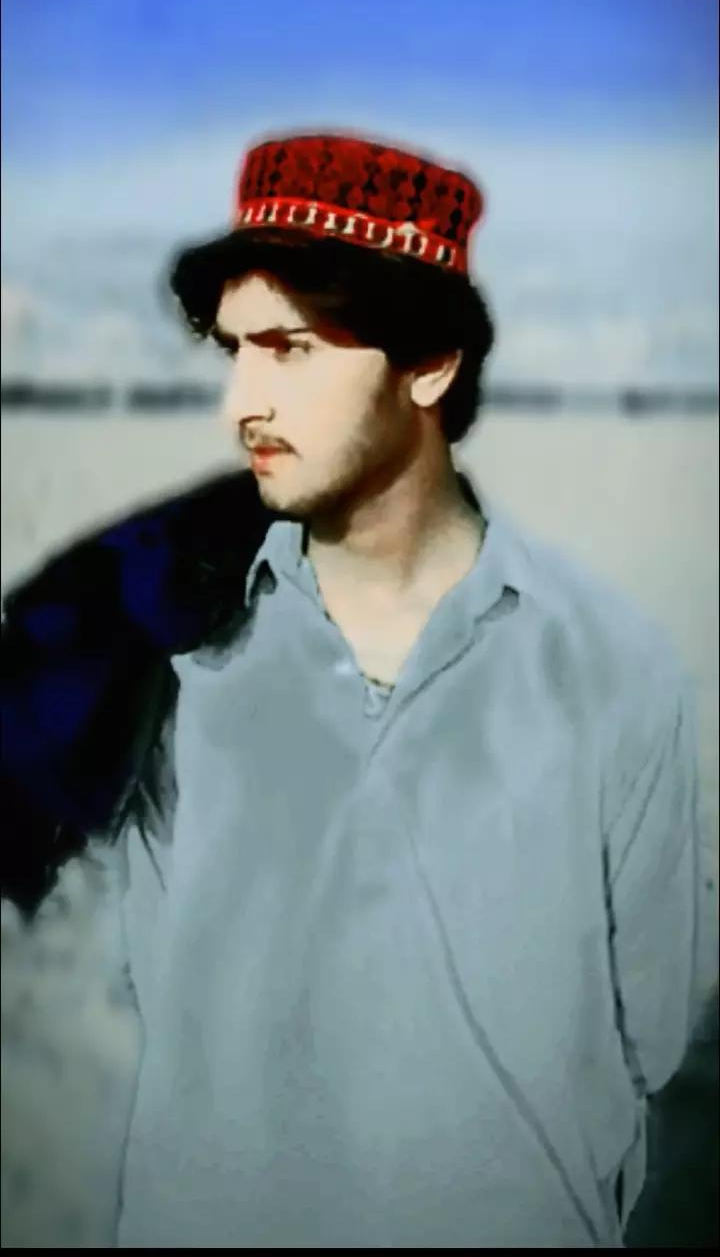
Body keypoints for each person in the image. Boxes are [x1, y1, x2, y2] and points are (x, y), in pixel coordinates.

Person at [1, 132, 703, 1248]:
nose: (242, 402)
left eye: (288, 350)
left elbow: (653, 1037)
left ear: (429, 365)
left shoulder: (614, 677)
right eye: (235, 351)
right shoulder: (166, 651)